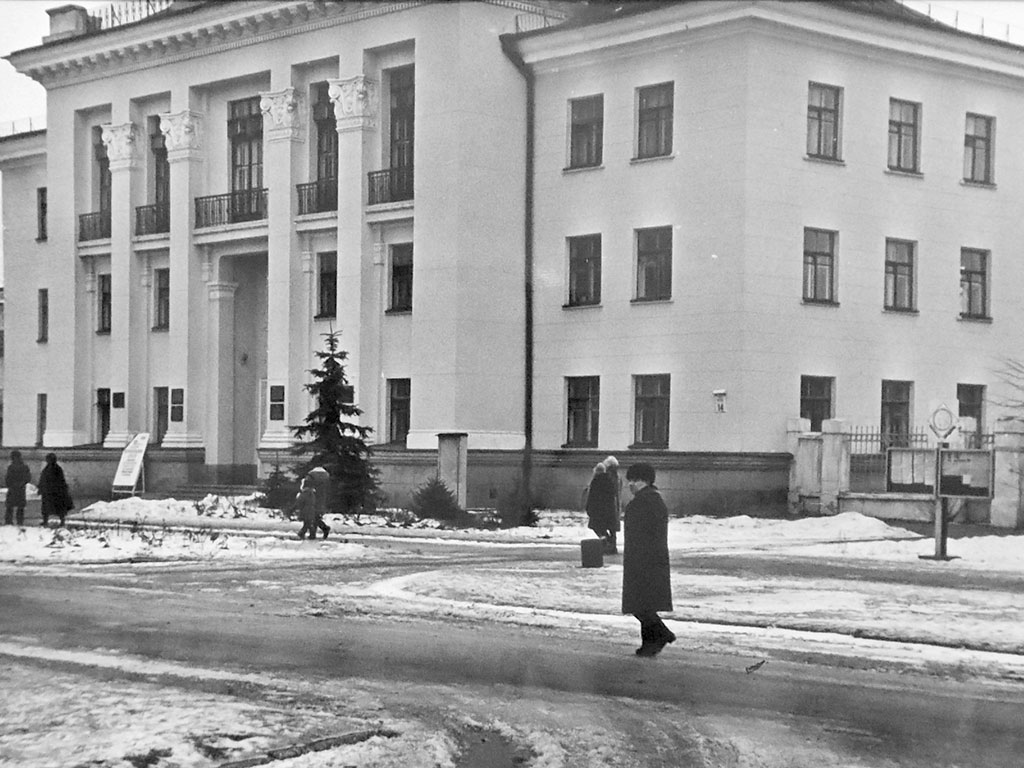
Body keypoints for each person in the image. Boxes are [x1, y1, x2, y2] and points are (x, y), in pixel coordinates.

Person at [621, 462, 676, 657]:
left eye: (634, 480)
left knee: (639, 604)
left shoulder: (645, 501)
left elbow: (643, 533)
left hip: (643, 560)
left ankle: (662, 633)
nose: (630, 484)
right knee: (644, 604)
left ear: (644, 480)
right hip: (649, 559)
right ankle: (650, 644)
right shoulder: (651, 499)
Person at [585, 462, 618, 554]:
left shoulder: (595, 480)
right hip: (609, 510)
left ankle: (605, 542)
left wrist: (588, 508)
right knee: (607, 528)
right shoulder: (610, 480)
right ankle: (610, 544)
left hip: (597, 509)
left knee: (597, 527)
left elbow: (591, 496)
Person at [38, 453, 73, 527]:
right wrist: (41, 488)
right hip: (48, 492)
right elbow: (43, 479)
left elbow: (60, 480)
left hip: (55, 492)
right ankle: (45, 521)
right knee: (46, 508)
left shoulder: (56, 469)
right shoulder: (48, 468)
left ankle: (61, 521)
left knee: (58, 508)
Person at [4, 450, 32, 526]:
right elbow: (28, 478)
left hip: (14, 489)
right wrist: (22, 483)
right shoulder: (24, 466)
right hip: (20, 489)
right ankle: (18, 521)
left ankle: (9, 521)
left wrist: (11, 484)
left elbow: (8, 478)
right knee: (19, 506)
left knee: (11, 506)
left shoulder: (12, 467)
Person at [601, 455, 622, 554]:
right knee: (612, 528)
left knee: (604, 525)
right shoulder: (617, 476)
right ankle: (612, 546)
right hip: (615, 504)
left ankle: (609, 545)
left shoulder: (608, 476)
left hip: (608, 504)